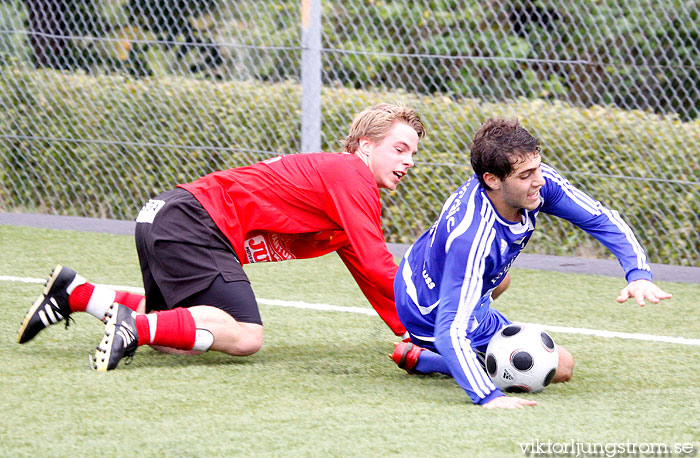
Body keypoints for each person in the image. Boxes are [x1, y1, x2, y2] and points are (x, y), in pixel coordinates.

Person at [17, 103, 426, 371]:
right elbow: (378, 263)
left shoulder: (343, 197)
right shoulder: (352, 175)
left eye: (413, 154)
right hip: (194, 222)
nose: (408, 161)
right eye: (400, 148)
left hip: (164, 216)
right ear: (366, 145)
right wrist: (439, 312)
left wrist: (416, 333)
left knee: (175, 338)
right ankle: (133, 327)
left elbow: (370, 276)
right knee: (246, 334)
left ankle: (78, 294)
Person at [391, 118, 672, 409]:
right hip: (426, 310)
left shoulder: (531, 184)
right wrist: (488, 396)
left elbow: (600, 218)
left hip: (415, 270)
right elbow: (449, 328)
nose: (539, 180)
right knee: (562, 366)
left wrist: (638, 273)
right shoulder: (473, 237)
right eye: (526, 175)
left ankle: (443, 352)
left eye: (537, 167)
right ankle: (428, 358)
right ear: (492, 179)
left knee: (501, 277)